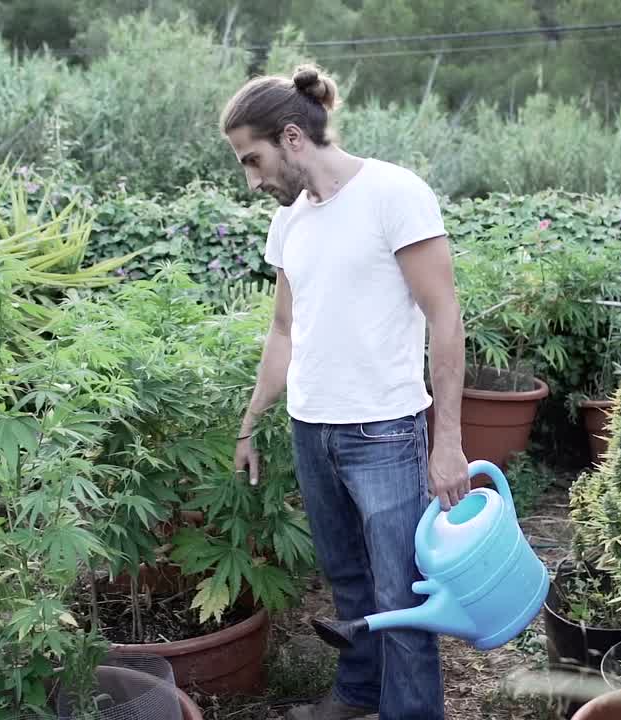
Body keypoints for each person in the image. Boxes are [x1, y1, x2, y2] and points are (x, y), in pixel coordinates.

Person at [219, 64, 469, 720]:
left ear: (293, 137)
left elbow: (445, 316)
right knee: (350, 585)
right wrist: (252, 421)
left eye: (254, 159)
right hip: (313, 429)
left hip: (385, 431)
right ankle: (358, 695)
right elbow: (283, 330)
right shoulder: (291, 223)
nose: (252, 180)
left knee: (403, 598)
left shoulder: (394, 193)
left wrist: (448, 443)